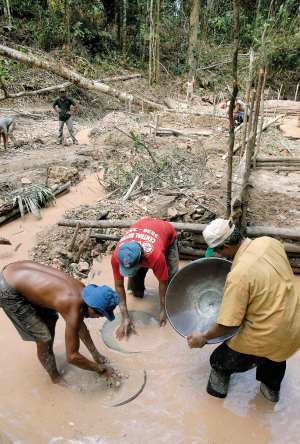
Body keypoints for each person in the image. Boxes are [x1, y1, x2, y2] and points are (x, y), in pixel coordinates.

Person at [186, 219, 300, 402]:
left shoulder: (239, 275)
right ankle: (270, 397)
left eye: (218, 251)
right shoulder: (270, 242)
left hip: (268, 334)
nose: (221, 255)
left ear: (226, 247)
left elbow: (228, 324)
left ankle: (215, 400)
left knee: (219, 361)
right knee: (275, 360)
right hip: (292, 328)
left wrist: (204, 337)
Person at [0, 260, 120, 388]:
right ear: (91, 309)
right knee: (44, 338)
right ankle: (55, 378)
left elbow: (79, 325)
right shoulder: (74, 307)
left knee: (51, 319)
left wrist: (96, 355)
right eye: (99, 315)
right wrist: (101, 369)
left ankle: (51, 361)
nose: (97, 318)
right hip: (8, 290)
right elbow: (72, 357)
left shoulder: (83, 292)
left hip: (15, 270)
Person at [111, 218, 179, 339]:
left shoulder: (156, 256)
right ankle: (137, 290)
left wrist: (163, 310)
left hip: (165, 231)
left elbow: (163, 282)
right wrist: (125, 316)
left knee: (171, 279)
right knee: (135, 290)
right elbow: (118, 286)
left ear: (142, 261)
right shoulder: (118, 256)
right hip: (142, 227)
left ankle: (170, 304)